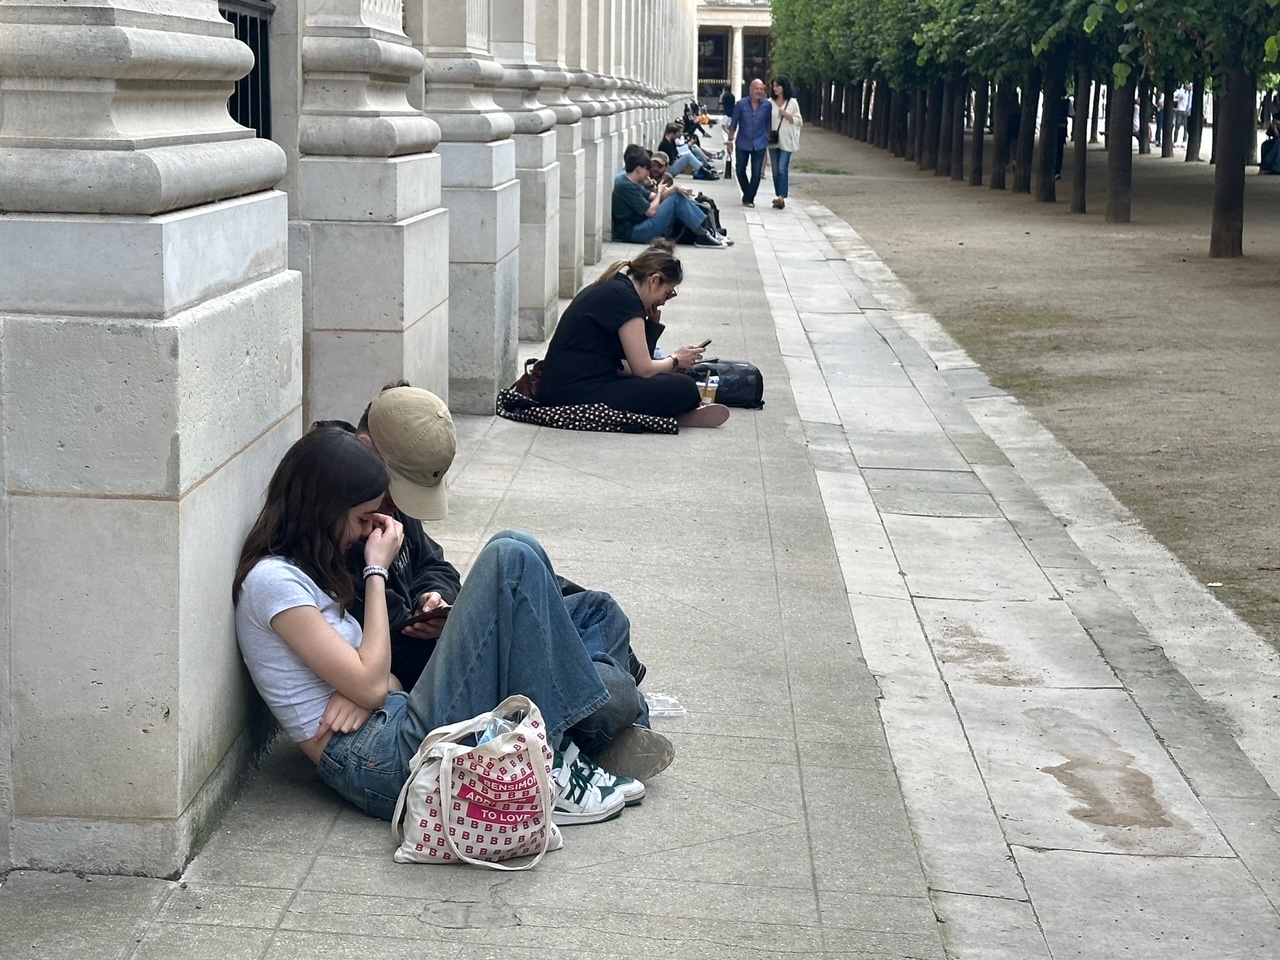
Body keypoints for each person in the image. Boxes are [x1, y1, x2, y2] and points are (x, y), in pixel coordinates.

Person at [234, 427, 667, 827]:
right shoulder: (273, 583)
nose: (370, 532)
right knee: (508, 562)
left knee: (518, 547)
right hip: (378, 762)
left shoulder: (303, 572)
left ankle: (560, 743)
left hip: (394, 723)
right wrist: (375, 571)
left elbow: (383, 680)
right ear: (322, 510)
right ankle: (552, 761)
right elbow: (370, 680)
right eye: (364, 519)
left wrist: (369, 692)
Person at [317, 384, 667, 778]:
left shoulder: (383, 495)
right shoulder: (350, 519)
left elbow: (437, 565)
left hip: (453, 636)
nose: (394, 509)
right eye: (394, 495)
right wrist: (382, 576)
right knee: (613, 694)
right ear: (365, 448)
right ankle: (612, 719)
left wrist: (432, 596)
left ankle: (592, 716)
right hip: (443, 671)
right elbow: (378, 657)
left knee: (598, 609)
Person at [538, 241, 730, 428]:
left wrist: (652, 326)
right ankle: (670, 412)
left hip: (564, 388)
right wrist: (675, 360)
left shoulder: (617, 287)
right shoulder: (626, 299)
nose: (664, 301)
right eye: (667, 293)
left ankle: (665, 411)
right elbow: (643, 370)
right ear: (654, 280)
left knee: (670, 378)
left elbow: (628, 363)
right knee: (684, 387)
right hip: (573, 394)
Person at [612, 147, 728, 247]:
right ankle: (704, 235)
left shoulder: (632, 181)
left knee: (677, 195)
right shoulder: (626, 185)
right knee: (675, 199)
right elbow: (651, 211)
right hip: (635, 232)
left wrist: (674, 189)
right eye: (647, 169)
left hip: (639, 226)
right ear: (638, 169)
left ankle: (708, 232)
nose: (649, 173)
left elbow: (654, 197)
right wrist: (659, 192)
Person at [646, 153, 732, 246]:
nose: (655, 169)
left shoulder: (666, 178)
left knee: (705, 204)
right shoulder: (646, 179)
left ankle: (713, 232)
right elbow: (660, 198)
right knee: (698, 205)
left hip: (666, 212)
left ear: (666, 167)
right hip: (662, 218)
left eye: (659, 166)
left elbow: (665, 197)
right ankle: (709, 233)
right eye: (653, 165)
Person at [725, 79, 772, 208]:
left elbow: (768, 123)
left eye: (762, 89)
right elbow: (733, 124)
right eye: (757, 89)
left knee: (756, 173)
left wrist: (768, 138)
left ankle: (749, 199)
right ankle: (748, 194)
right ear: (751, 89)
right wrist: (730, 141)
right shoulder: (741, 104)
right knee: (740, 170)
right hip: (743, 142)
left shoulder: (767, 105)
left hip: (760, 142)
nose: (759, 91)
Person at [767, 76, 802, 209]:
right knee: (775, 170)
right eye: (774, 86)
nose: (775, 88)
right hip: (773, 139)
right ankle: (778, 195)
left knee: (782, 168)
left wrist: (787, 115)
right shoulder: (770, 102)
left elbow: (799, 121)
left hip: (787, 140)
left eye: (778, 86)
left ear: (784, 87)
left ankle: (781, 197)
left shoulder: (792, 103)